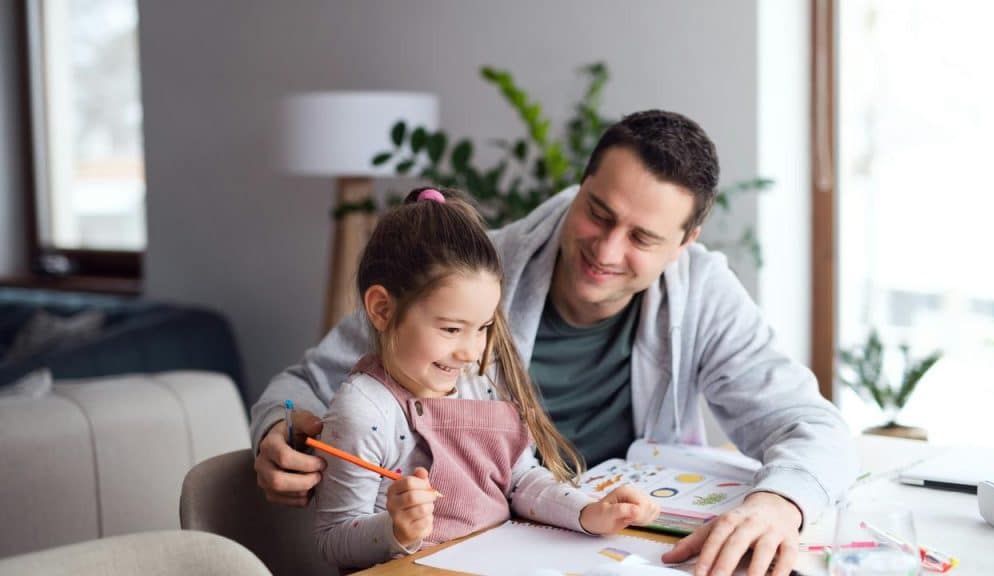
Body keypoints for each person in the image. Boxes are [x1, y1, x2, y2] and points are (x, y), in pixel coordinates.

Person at [252, 110, 857, 576]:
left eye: (643, 238)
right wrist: (277, 427)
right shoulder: (471, 281)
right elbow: (299, 386)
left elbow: (811, 424)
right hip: (474, 548)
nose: (607, 250)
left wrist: (780, 504)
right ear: (581, 184)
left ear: (685, 242)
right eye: (598, 212)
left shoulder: (703, 293)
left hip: (613, 542)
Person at [313, 187, 659, 568]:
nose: (471, 351)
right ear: (381, 309)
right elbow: (333, 542)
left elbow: (521, 479)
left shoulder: (480, 380)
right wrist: (395, 530)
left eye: (483, 328)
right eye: (450, 329)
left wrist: (588, 512)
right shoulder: (364, 412)